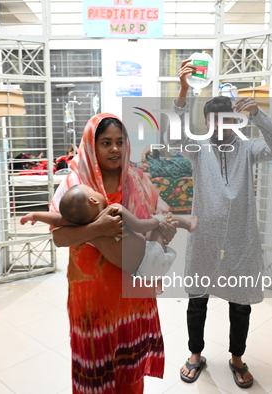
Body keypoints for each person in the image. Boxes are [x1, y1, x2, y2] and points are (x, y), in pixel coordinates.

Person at [173, 59, 272, 388]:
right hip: (205, 239)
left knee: (240, 305)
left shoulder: (250, 149)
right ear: (207, 123)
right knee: (197, 301)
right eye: (213, 121)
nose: (220, 126)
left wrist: (259, 115)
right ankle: (195, 355)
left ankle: (237, 358)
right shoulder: (196, 149)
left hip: (240, 241)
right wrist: (183, 92)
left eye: (227, 120)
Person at [49, 113, 179, 393]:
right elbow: (59, 237)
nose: (115, 149)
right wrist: (99, 228)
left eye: (120, 142)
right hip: (92, 296)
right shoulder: (74, 185)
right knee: (94, 371)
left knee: (130, 373)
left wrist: (167, 229)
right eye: (106, 142)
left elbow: (162, 216)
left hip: (134, 292)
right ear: (91, 146)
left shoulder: (138, 180)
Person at [20, 183, 197, 278]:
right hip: (152, 259)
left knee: (155, 229)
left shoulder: (81, 223)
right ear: (93, 200)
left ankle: (179, 227)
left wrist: (35, 215)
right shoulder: (114, 210)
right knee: (162, 219)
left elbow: (60, 219)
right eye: (93, 190)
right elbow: (139, 226)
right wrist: (156, 221)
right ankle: (188, 224)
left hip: (138, 272)